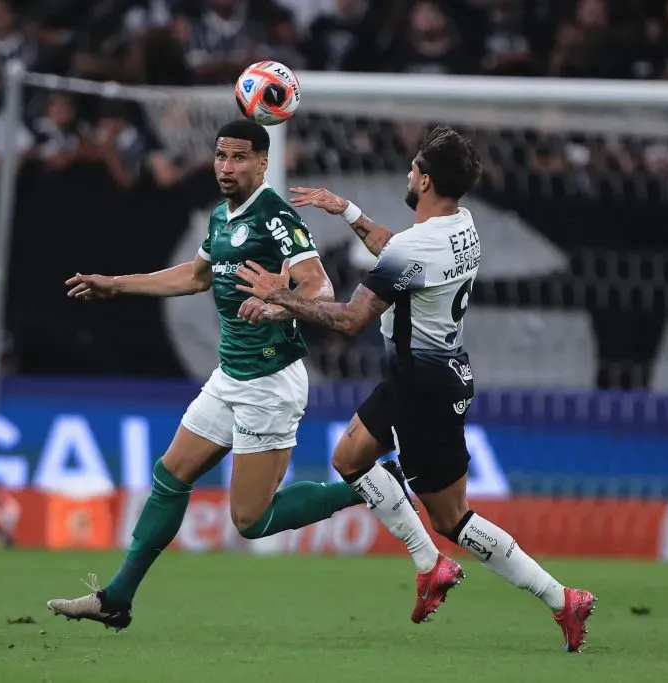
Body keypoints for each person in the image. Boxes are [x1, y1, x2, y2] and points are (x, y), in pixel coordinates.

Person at [235, 126, 596, 653]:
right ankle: (430, 565)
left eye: (412, 168)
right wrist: (349, 213)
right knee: (351, 457)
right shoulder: (459, 224)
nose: (408, 174)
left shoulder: (416, 244)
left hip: (426, 389)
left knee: (453, 518)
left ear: (424, 180)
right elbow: (397, 256)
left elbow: (354, 319)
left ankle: (562, 598)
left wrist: (282, 296)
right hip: (417, 378)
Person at [46, 119, 409, 630]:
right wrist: (116, 285)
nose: (226, 167)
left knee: (250, 521)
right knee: (171, 476)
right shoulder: (221, 216)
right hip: (230, 376)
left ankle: (374, 483)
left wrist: (280, 306)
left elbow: (320, 288)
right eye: (221, 156)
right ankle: (117, 598)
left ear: (263, 163)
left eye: (239, 158)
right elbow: (194, 276)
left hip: (270, 380)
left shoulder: (274, 215)